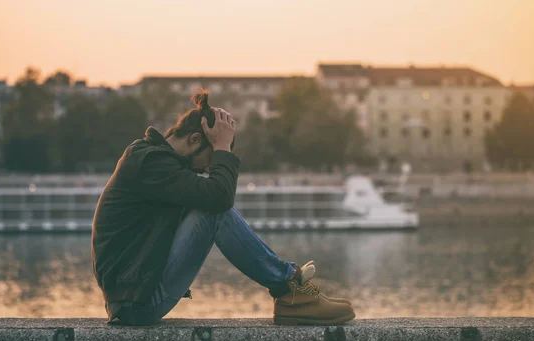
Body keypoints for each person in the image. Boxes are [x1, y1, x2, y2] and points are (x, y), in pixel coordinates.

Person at [91, 90, 355, 325]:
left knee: (212, 204)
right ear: (195, 139)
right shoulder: (149, 162)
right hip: (136, 304)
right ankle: (289, 290)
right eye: (211, 155)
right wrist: (223, 148)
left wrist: (218, 149)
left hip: (136, 296)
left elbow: (215, 194)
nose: (209, 168)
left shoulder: (158, 162)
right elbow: (219, 198)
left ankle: (289, 287)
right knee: (214, 211)